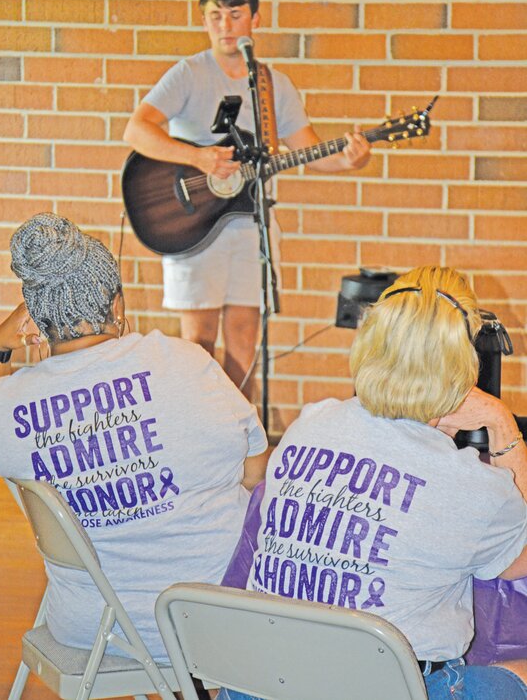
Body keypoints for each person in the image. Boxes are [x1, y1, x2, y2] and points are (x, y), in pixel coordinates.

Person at [0, 212, 268, 661]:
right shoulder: (184, 362)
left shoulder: (4, 407)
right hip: (210, 618)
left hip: (92, 627)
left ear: (36, 317)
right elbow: (255, 471)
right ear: (116, 306)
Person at [219, 265, 527, 700]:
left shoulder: (309, 424)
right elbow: (518, 563)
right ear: (465, 362)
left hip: (260, 685)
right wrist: (500, 422)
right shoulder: (469, 486)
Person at [123, 0, 371, 398]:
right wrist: (198, 157)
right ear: (204, 21)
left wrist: (351, 159)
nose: (225, 26)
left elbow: (309, 151)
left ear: (255, 18)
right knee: (196, 343)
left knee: (244, 346)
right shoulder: (188, 73)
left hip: (249, 224)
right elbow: (136, 130)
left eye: (235, 15)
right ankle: (193, 432)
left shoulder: (272, 84)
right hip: (192, 223)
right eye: (215, 16)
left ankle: (239, 438)